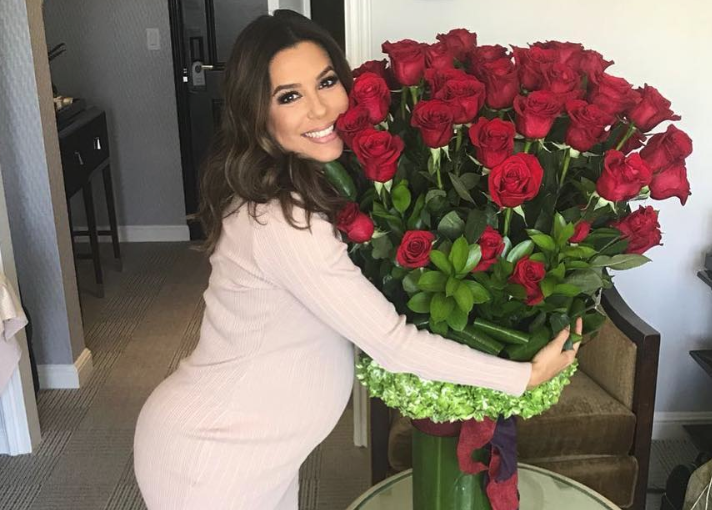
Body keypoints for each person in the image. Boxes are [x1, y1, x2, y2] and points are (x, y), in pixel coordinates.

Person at [133, 10, 581, 510]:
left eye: (326, 82)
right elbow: (392, 343)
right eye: (289, 96)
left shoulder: (293, 187)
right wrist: (522, 376)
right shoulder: (280, 222)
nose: (319, 108)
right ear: (256, 115)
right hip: (214, 460)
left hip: (254, 452)